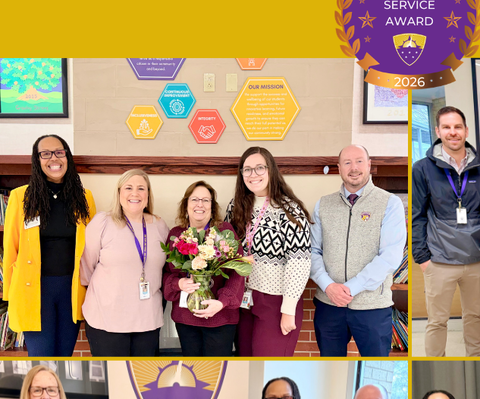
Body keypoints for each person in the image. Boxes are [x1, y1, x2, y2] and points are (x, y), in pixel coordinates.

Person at [412, 106, 480, 357]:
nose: (453, 132)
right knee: (437, 322)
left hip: (479, 259)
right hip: (439, 260)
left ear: (466, 130)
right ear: (438, 131)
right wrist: (422, 258)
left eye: (457, 127)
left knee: (474, 317)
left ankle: (475, 360)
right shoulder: (422, 169)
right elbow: (416, 215)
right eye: (446, 127)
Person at [1, 134, 96, 355]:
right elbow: (11, 248)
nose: (53, 158)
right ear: (37, 160)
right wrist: (9, 295)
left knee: (64, 356)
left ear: (67, 157)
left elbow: (92, 248)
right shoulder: (20, 198)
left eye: (59, 152)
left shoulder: (85, 198)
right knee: (41, 356)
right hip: (33, 290)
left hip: (71, 290)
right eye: (45, 153)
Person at [310, 145, 406, 356]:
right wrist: (329, 287)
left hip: (372, 307)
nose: (354, 168)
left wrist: (351, 288)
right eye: (347, 162)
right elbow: (312, 251)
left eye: (359, 161)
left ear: (369, 165)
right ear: (339, 168)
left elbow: (390, 256)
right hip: (329, 304)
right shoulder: (322, 205)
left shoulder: (390, 203)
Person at [226, 147, 311, 356]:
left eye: (259, 168)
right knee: (244, 358)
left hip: (276, 301)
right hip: (243, 298)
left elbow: (299, 262)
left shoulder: (289, 209)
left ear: (271, 170)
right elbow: (226, 249)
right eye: (247, 170)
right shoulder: (235, 206)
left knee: (268, 359)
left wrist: (288, 309)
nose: (253, 174)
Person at [80, 170, 169, 356]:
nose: (134, 193)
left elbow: (166, 270)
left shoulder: (160, 226)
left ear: (148, 194)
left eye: (141, 188)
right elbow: (87, 268)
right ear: (119, 193)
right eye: (128, 187)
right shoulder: (102, 223)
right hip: (106, 319)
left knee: (143, 379)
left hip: (147, 320)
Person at [162, 180, 245, 356]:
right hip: (186, 319)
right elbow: (167, 273)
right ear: (186, 205)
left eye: (206, 200)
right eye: (194, 199)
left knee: (215, 372)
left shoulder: (224, 232)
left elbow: (238, 271)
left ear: (212, 207)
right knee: (192, 370)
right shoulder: (176, 234)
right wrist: (179, 284)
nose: (200, 204)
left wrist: (222, 302)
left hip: (220, 318)